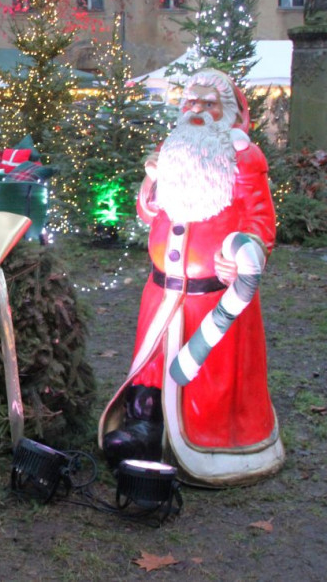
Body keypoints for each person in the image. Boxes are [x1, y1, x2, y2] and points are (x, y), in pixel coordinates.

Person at [99, 68, 283, 487]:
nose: (197, 110)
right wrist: (149, 186)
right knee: (151, 361)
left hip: (212, 298)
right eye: (190, 103)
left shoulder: (243, 158)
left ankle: (210, 435)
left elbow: (260, 220)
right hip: (162, 290)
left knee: (206, 376)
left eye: (208, 104)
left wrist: (245, 254)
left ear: (229, 113)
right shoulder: (173, 149)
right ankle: (144, 424)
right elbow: (152, 213)